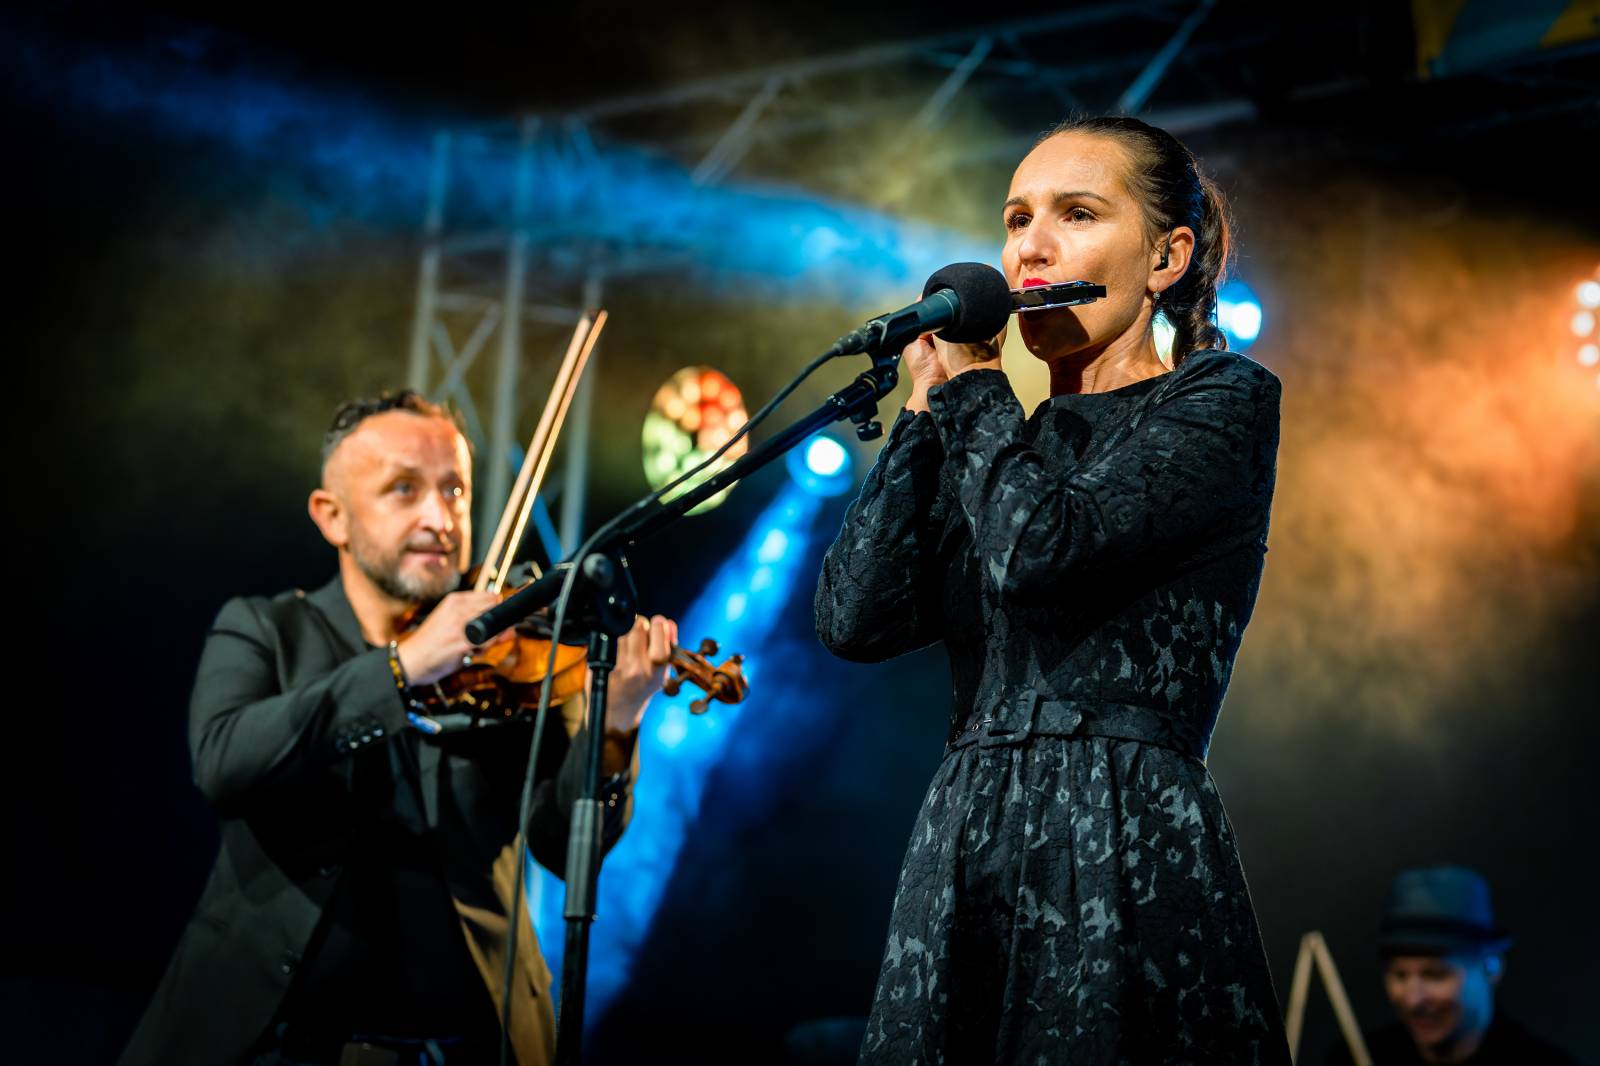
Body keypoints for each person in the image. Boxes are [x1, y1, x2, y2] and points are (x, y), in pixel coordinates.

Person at [815, 115, 1289, 1062]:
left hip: (1119, 832)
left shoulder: (1220, 401)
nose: (1029, 248)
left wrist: (978, 393)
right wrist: (921, 417)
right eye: (1016, 217)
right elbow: (853, 617)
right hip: (967, 831)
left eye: (1075, 215)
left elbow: (1041, 551)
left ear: (1166, 256)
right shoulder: (996, 441)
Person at [119, 390, 678, 1066]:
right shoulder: (266, 630)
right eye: (403, 490)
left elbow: (567, 849)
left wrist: (614, 728)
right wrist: (399, 669)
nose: (440, 517)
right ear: (333, 517)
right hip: (277, 1044)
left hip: (469, 1046)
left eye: (456, 491)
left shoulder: (513, 649)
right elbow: (224, 760)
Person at [1324, 866, 1580, 1065]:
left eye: (1435, 975)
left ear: (1492, 968)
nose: (1413, 1000)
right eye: (1399, 975)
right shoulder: (1352, 1058)